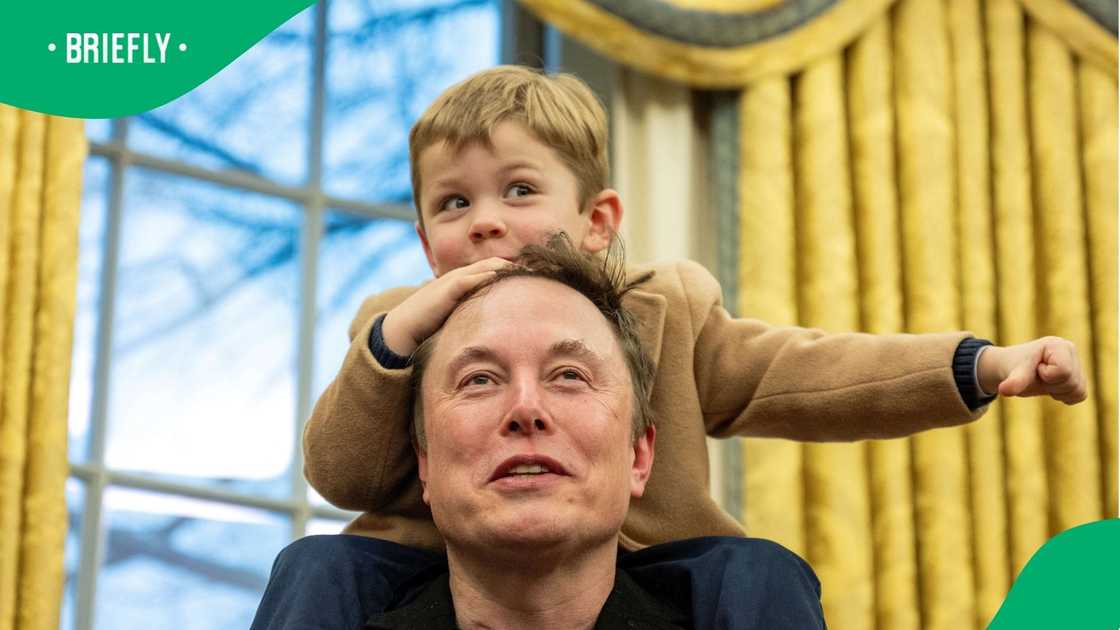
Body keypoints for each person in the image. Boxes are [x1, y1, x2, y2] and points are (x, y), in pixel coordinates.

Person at [252, 66, 1087, 629]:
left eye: (519, 189)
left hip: (650, 574)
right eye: (452, 204)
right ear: (427, 239)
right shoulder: (398, 322)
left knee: (761, 571)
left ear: (598, 223)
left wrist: (978, 364)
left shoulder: (667, 307)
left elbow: (806, 374)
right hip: (440, 574)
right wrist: (396, 339)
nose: (487, 221)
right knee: (313, 569)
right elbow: (340, 472)